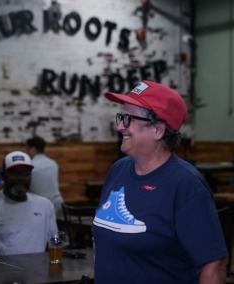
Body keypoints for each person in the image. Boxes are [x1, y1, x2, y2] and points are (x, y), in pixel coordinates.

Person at [93, 80, 228, 283]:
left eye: (129, 118)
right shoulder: (118, 170)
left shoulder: (185, 184)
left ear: (158, 130)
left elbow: (214, 265)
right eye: (121, 116)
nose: (120, 126)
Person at [0, 151, 58, 257]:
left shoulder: (46, 205)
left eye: (25, 174)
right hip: (3, 272)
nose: (20, 178)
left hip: (40, 270)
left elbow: (53, 242)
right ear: (3, 176)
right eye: (15, 173)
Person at [26, 136, 64, 219]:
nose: (27, 152)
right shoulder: (53, 163)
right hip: (58, 205)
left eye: (28, 149)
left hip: (40, 207)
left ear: (33, 149)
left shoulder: (31, 166)